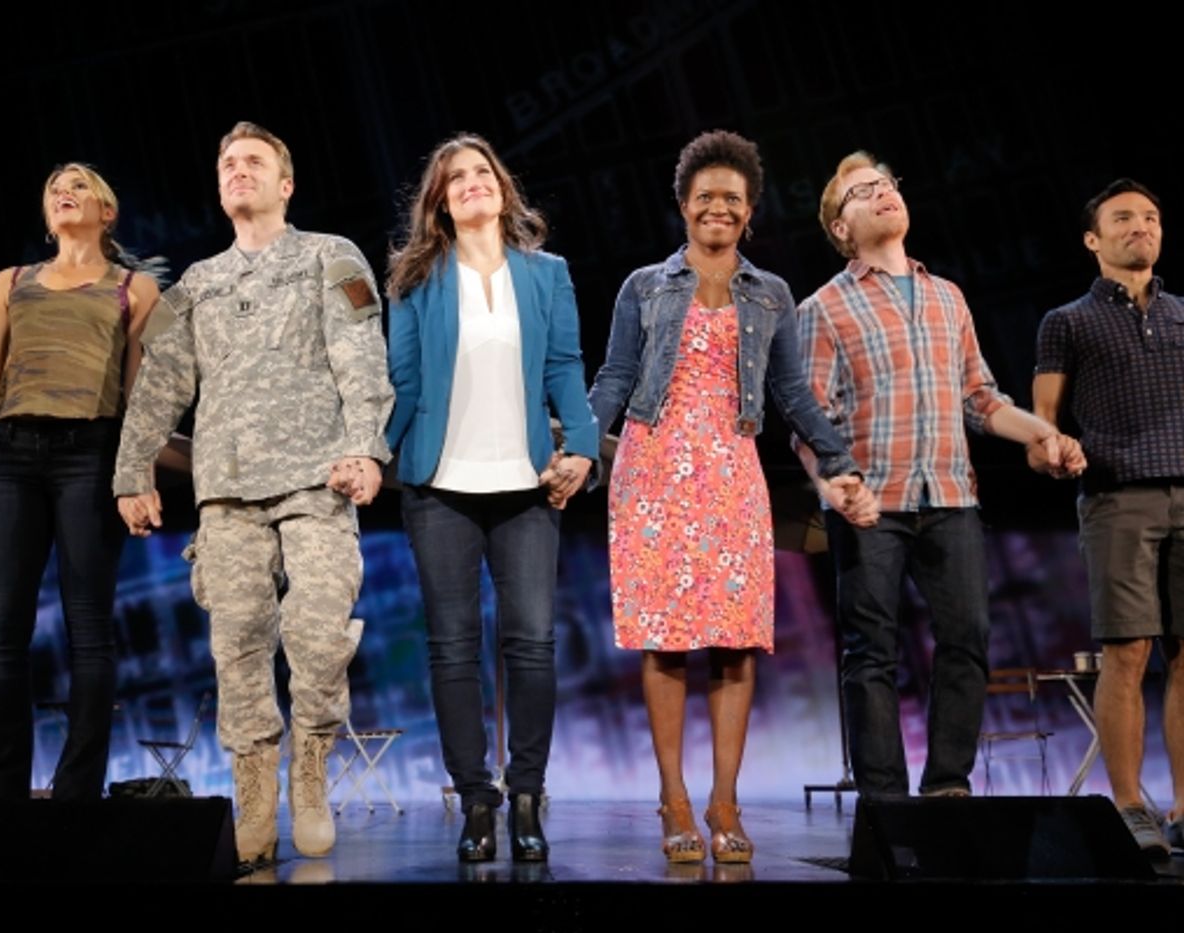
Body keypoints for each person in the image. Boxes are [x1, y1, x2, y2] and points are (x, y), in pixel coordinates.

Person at [588, 130, 874, 864]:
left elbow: (791, 395)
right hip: (653, 474)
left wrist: (838, 459)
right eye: (706, 195)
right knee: (667, 640)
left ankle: (725, 799)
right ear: (684, 205)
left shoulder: (770, 292)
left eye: (733, 198)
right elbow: (615, 380)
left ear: (749, 212)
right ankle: (674, 799)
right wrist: (576, 448)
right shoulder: (643, 286)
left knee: (737, 641)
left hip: (731, 475)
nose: (719, 206)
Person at [113, 122, 392, 865]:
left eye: (254, 162)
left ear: (285, 183)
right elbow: (160, 382)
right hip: (228, 490)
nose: (238, 171)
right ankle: (253, 794)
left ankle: (310, 762)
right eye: (227, 163)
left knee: (318, 632)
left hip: (317, 476)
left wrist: (365, 446)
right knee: (236, 644)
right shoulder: (195, 284)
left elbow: (361, 352)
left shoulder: (330, 256)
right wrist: (131, 471)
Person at [796, 150, 1082, 801]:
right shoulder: (825, 308)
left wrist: (1044, 433)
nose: (882, 193)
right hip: (873, 502)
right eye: (862, 191)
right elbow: (810, 418)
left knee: (968, 638)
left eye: (887, 184)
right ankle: (885, 802)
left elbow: (980, 398)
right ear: (841, 228)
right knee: (872, 652)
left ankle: (947, 785)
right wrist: (830, 483)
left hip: (951, 496)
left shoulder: (946, 295)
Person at [384, 133, 598, 863]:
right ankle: (476, 798)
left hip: (527, 485)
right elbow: (403, 384)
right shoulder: (415, 280)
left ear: (502, 188)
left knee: (531, 643)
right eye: (456, 177)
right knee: (452, 648)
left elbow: (567, 367)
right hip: (439, 486)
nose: (472, 183)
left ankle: (528, 795)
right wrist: (369, 451)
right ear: (441, 201)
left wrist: (584, 448)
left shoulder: (547, 274)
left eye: (483, 172)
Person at [0, 163, 159, 802]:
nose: (63, 194)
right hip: (14, 456)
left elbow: (139, 398)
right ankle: (1, 800)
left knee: (90, 633)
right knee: (4, 637)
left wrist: (138, 475)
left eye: (77, 186)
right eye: (53, 188)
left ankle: (77, 795)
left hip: (91, 454)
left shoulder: (134, 288)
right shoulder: (10, 283)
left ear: (107, 211)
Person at [1034, 178, 1183, 857]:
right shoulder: (1068, 320)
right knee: (1128, 652)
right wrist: (1053, 452)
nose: (1140, 227)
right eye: (1123, 217)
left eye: (1150, 217)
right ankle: (1129, 805)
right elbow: (1044, 424)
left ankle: (1183, 806)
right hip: (1119, 497)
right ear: (1094, 238)